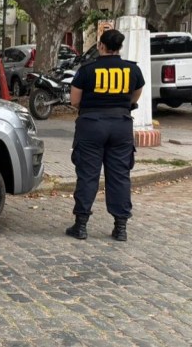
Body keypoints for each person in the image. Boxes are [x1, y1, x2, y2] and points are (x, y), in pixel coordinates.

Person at [65, 29, 144, 242]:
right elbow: (136, 94)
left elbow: (74, 101)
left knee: (88, 174)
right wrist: (123, 104)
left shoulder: (88, 69)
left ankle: (81, 225)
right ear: (119, 47)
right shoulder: (131, 69)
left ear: (100, 46)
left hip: (91, 125)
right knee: (119, 176)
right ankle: (120, 228)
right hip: (121, 126)